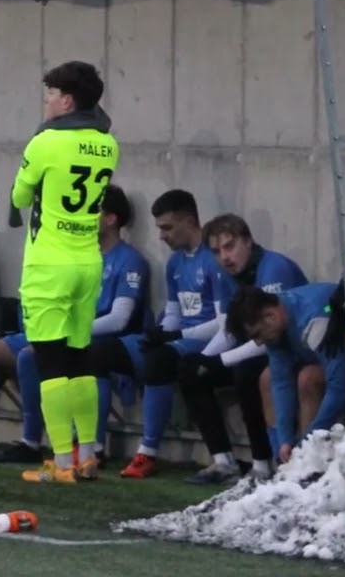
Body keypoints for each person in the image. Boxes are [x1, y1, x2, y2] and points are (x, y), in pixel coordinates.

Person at [0, 184, 149, 465]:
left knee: (33, 357)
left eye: (91, 211)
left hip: (88, 336)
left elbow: (120, 319)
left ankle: (84, 447)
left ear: (111, 219)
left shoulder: (129, 260)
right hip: (53, 329)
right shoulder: (74, 254)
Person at [10, 60, 119, 484]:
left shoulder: (46, 141)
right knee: (80, 361)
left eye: (49, 95)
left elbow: (20, 194)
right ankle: (88, 454)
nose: (46, 102)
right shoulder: (109, 144)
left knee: (50, 364)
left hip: (49, 265)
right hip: (88, 261)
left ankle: (61, 462)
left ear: (67, 100)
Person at [176, 213, 309, 484]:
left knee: (246, 372)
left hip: (292, 351)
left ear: (248, 242)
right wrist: (206, 359)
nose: (225, 257)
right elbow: (231, 327)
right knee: (191, 369)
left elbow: (268, 335)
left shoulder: (275, 268)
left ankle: (262, 464)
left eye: (230, 246)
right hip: (265, 348)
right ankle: (223, 461)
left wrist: (221, 360)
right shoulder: (229, 275)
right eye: (216, 251)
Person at [110, 189, 228, 479]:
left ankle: (147, 452)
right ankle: (91, 448)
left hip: (209, 340)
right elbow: (174, 312)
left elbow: (224, 324)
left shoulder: (214, 258)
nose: (161, 236)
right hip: (183, 337)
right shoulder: (175, 262)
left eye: (167, 228)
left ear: (189, 222)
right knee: (101, 354)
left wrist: (174, 336)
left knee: (160, 360)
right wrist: (161, 332)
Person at [225, 283, 345, 465]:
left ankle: (305, 461)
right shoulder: (277, 320)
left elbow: (340, 387)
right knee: (267, 379)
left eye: (258, 335)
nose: (260, 343)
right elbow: (281, 382)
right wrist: (284, 440)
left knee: (307, 379)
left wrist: (307, 441)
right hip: (325, 364)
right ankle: (282, 461)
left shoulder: (313, 318)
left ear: (270, 316)